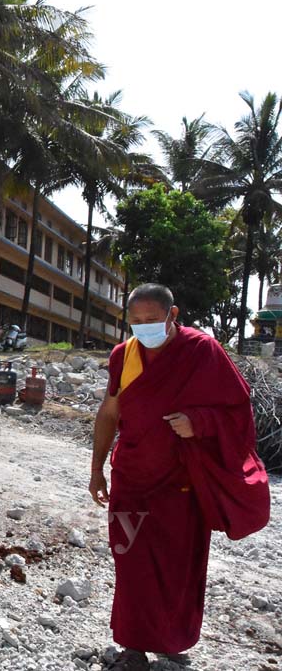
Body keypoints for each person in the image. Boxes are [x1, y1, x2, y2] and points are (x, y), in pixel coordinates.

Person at [90, 283, 269, 670]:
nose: (144, 328)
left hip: (182, 485)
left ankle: (170, 641)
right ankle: (133, 646)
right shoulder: (124, 355)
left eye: (152, 319)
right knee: (131, 562)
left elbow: (238, 413)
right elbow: (109, 412)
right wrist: (96, 468)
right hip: (132, 478)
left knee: (179, 567)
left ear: (173, 315)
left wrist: (199, 422)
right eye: (136, 321)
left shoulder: (202, 351)